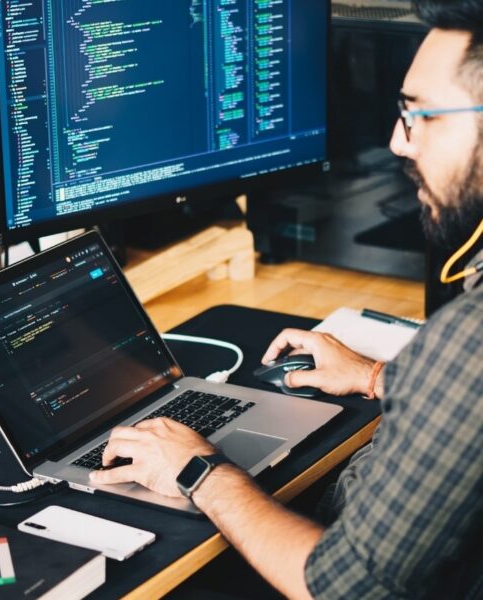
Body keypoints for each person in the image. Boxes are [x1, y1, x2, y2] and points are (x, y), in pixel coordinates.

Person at [90, 1, 483, 598]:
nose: (398, 144)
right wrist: (378, 375)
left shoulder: (467, 342)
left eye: (419, 114)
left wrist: (198, 470)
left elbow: (344, 588)